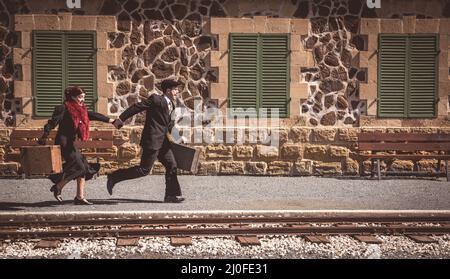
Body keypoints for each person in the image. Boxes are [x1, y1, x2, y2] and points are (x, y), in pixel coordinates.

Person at [107, 79, 185, 203]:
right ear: (168, 90)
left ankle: (171, 195)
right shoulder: (156, 99)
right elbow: (136, 107)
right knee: (144, 170)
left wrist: (178, 138)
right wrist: (121, 119)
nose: (177, 92)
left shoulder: (172, 105)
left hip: (163, 142)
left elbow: (168, 125)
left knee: (172, 166)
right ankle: (114, 176)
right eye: (175, 89)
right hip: (153, 140)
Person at [38, 86, 116, 205]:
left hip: (71, 143)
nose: (82, 100)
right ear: (73, 97)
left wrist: (111, 121)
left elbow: (94, 115)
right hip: (63, 143)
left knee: (84, 167)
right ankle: (58, 186)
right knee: (80, 167)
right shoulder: (63, 108)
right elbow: (52, 123)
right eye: (80, 97)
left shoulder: (81, 111)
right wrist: (44, 136)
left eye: (83, 97)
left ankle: (79, 197)